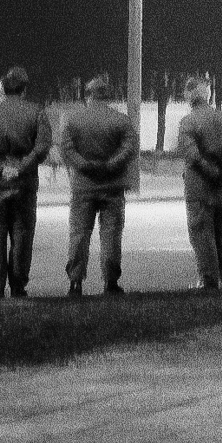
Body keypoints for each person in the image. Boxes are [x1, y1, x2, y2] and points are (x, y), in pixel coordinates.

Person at [57, 73, 136, 298]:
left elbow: (67, 149)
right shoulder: (121, 120)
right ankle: (110, 282)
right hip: (112, 186)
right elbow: (129, 148)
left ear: (88, 94)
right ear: (107, 95)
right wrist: (110, 165)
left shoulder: (74, 119)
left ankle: (75, 282)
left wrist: (85, 166)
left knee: (80, 234)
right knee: (111, 234)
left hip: (83, 185)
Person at [0, 66, 51, 299]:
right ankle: (18, 286)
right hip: (24, 184)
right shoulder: (36, 113)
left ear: (3, 89)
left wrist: (0, 169)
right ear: (24, 89)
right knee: (22, 235)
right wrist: (20, 168)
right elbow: (42, 147)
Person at [175, 79, 222, 289]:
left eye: (185, 93)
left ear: (192, 96)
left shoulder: (188, 122)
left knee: (202, 232)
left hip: (199, 186)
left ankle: (208, 281)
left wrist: (212, 173)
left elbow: (192, 155)